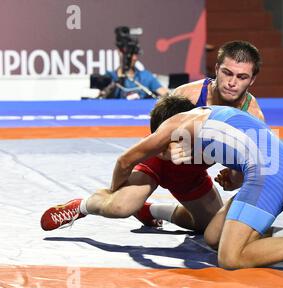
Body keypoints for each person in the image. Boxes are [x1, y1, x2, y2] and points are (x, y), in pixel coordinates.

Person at [40, 96, 283, 271]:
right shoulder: (208, 116)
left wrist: (242, 176)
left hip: (270, 175)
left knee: (231, 258)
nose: (172, 150)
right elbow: (255, 147)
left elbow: (124, 159)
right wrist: (237, 176)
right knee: (213, 235)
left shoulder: (177, 125)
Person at [42, 40, 267, 234]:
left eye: (241, 76)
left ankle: (150, 210)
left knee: (208, 227)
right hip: (157, 164)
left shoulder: (253, 118)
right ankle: (82, 206)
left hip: (193, 174)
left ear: (253, 80)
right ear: (216, 68)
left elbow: (249, 172)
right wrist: (164, 151)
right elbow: (152, 135)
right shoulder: (188, 94)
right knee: (120, 207)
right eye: (227, 73)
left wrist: (234, 179)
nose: (232, 82)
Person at [102, 26, 170, 99]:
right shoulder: (110, 77)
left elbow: (166, 94)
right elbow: (99, 98)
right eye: (129, 53)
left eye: (135, 53)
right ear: (119, 52)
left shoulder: (145, 77)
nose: (133, 58)